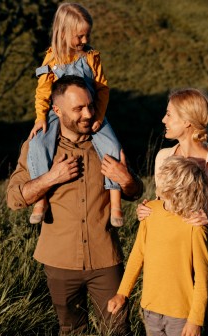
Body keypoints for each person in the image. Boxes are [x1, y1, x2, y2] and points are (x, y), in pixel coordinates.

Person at [7, 75, 143, 335]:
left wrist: (126, 180)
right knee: (71, 330)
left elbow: (135, 191)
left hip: (106, 260)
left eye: (90, 105)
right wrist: (50, 178)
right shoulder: (37, 147)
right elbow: (14, 198)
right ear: (57, 110)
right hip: (59, 261)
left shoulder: (106, 143)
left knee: (118, 330)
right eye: (78, 108)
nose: (89, 113)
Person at [136, 88, 208, 335]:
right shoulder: (162, 157)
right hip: (171, 277)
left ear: (187, 122)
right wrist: (146, 209)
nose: (163, 120)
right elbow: (163, 202)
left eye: (169, 114)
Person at [27, 2, 124, 227]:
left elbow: (102, 88)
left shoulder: (92, 57)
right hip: (59, 113)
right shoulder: (50, 60)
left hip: (91, 109)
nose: (84, 41)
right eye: (79, 36)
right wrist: (40, 117)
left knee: (112, 145)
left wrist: (99, 115)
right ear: (63, 33)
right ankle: (40, 200)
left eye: (86, 35)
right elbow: (42, 91)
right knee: (37, 144)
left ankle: (116, 202)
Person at [108, 156, 208, 336]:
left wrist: (196, 319)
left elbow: (203, 277)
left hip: (181, 314)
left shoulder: (195, 224)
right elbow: (137, 255)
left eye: (162, 177)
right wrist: (122, 293)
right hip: (150, 308)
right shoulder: (151, 211)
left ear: (174, 187)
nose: (157, 180)